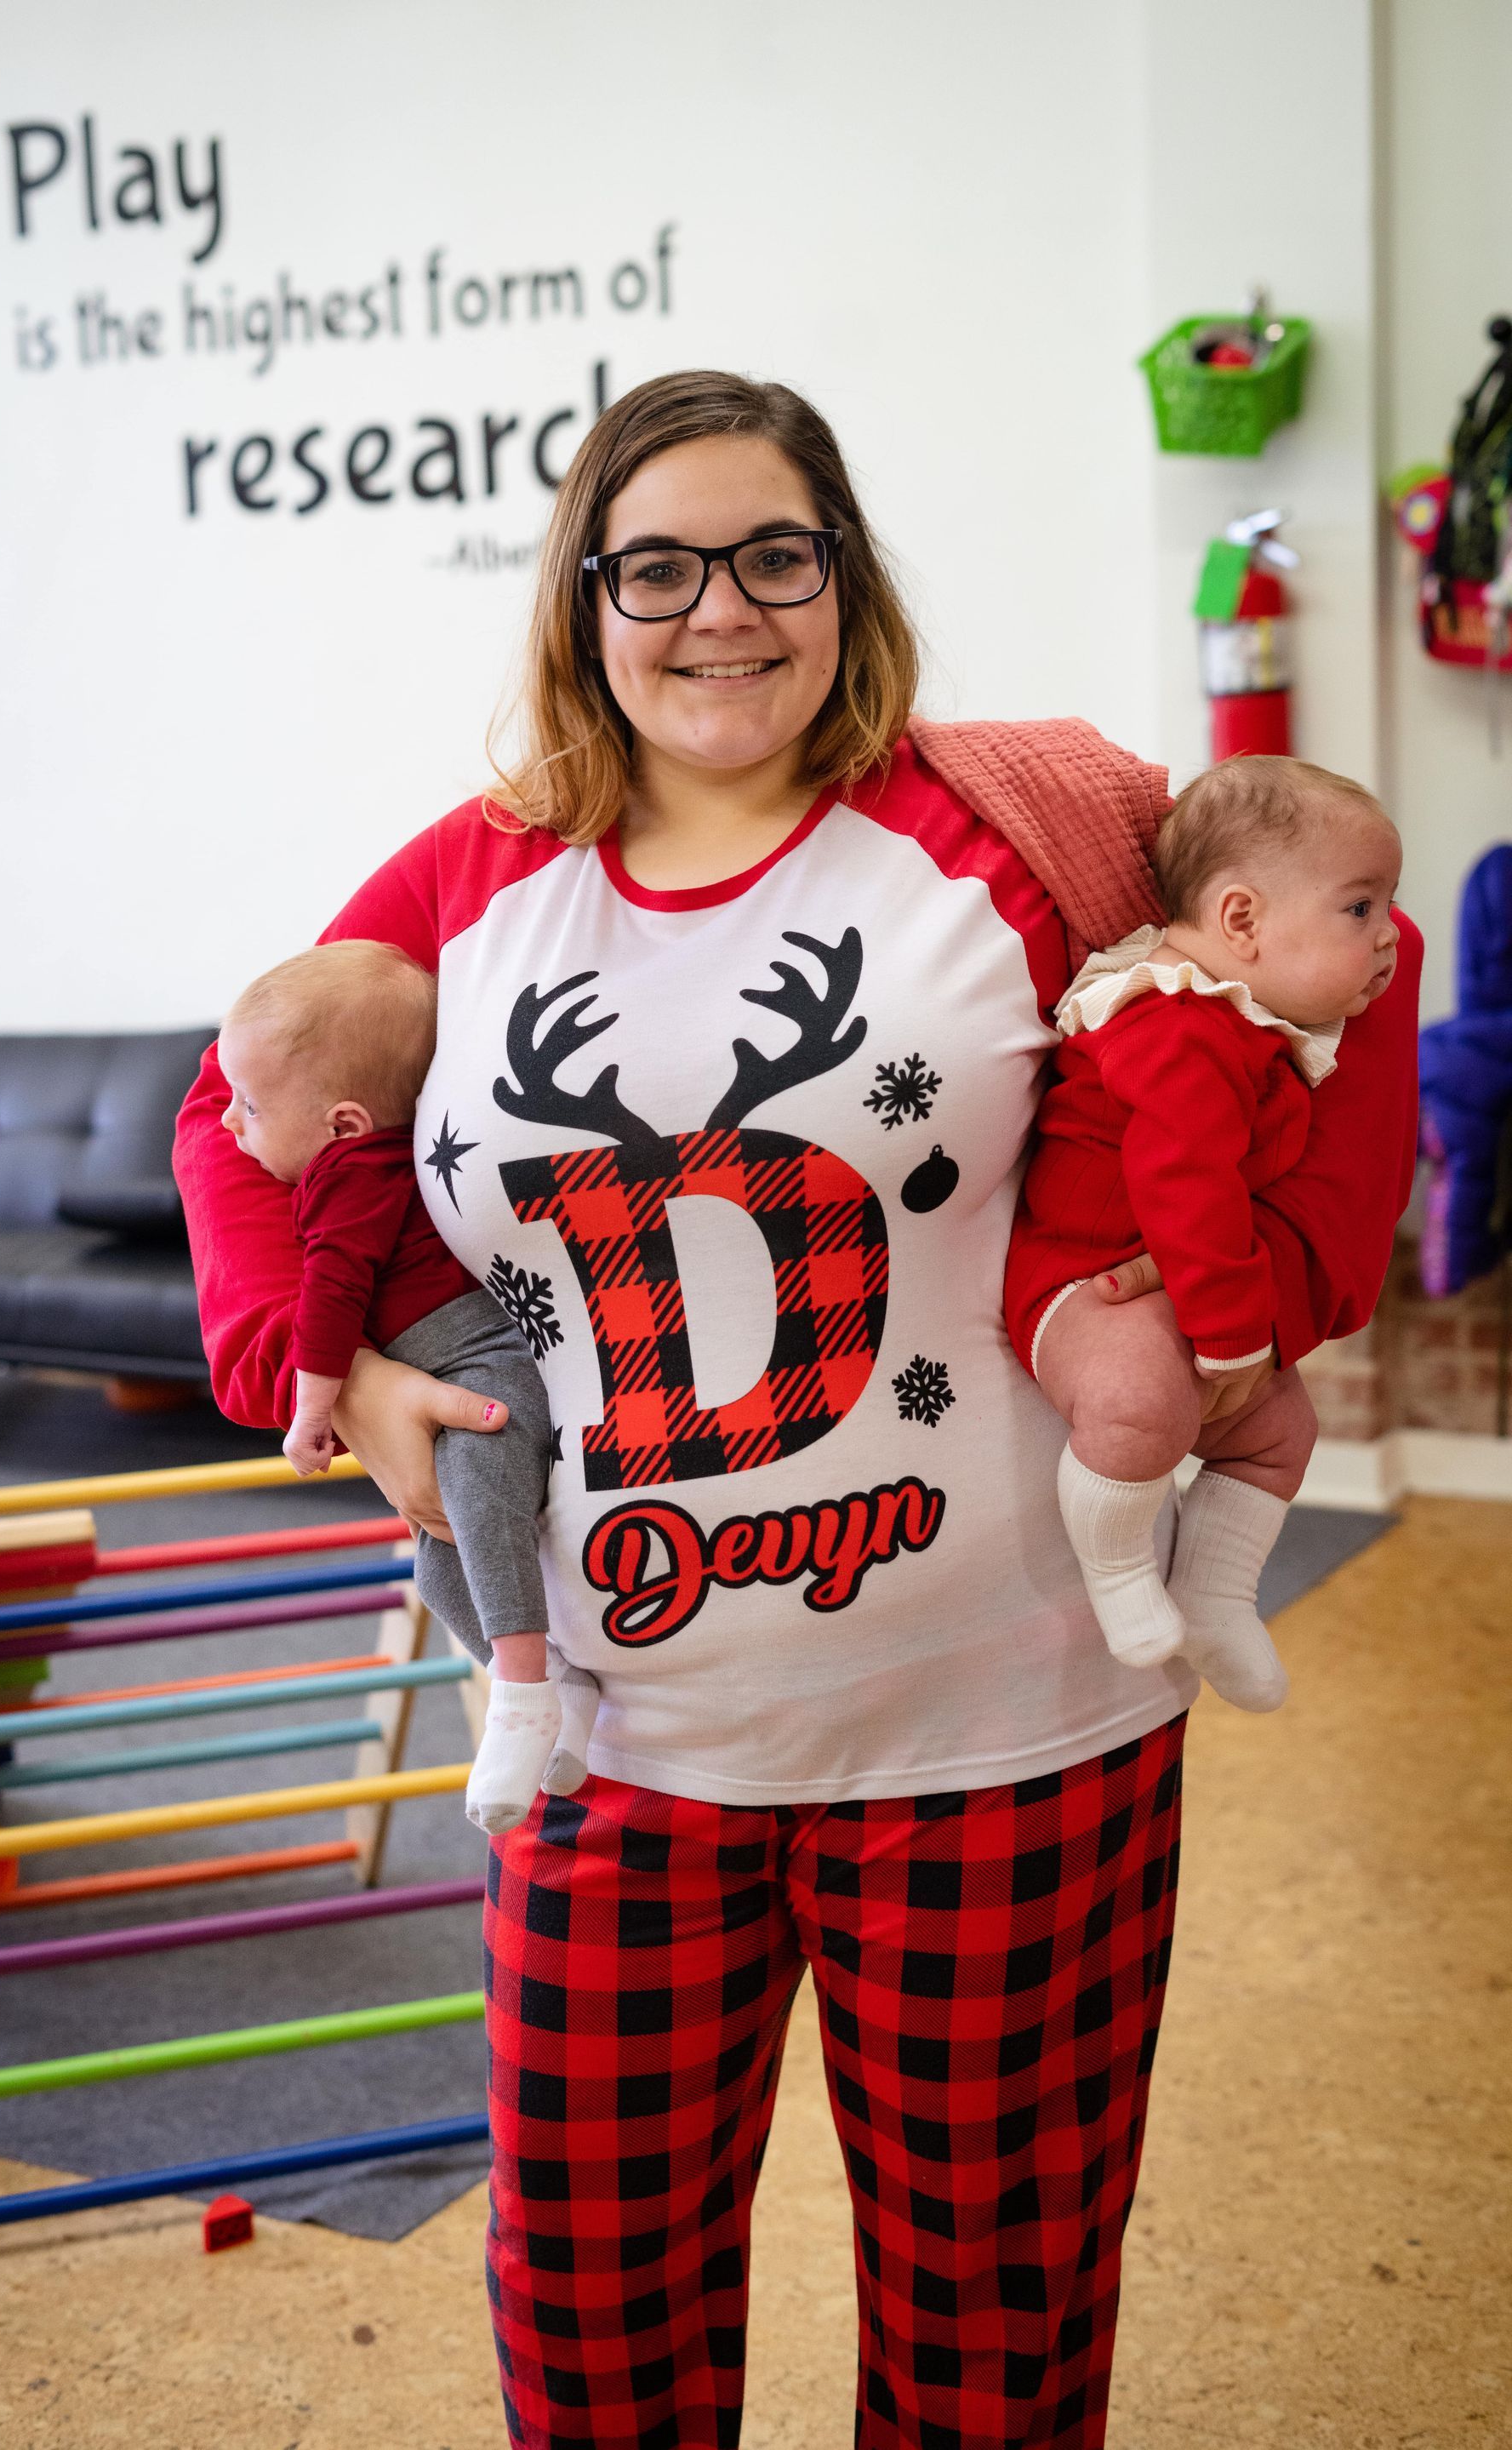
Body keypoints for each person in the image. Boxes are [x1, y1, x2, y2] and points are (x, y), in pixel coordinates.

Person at [174, 369, 1420, 2449]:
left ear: (844, 575)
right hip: (607, 1743)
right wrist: (326, 1375)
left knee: (995, 2351)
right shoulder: (476, 881)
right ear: (582, 596)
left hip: (1011, 1729)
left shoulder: (1033, 820)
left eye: (775, 553)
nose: (718, 610)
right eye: (653, 564)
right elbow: (245, 1094)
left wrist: (1279, 1295)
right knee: (597, 2347)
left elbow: (1335, 947)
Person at [1005, 757, 1405, 1714]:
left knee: (1280, 1431)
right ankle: (1116, 1571)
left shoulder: (1250, 1022)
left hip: (1186, 1282)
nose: (1389, 934)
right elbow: (1183, 1181)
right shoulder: (1177, 1023)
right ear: (1241, 921)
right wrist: (1231, 1332)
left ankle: (1218, 1592)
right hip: (1084, 1281)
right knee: (1142, 1405)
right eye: (1360, 909)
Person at [214, 937, 596, 1832]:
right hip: (447, 1369)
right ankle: (561, 1691)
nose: (230, 1124)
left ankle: (522, 1691)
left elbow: (333, 1297)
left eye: (250, 1104)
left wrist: (312, 1411)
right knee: (436, 1560)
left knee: (477, 1502)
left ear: (343, 1122)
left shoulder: (354, 1175)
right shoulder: (351, 1165)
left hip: (483, 1369)